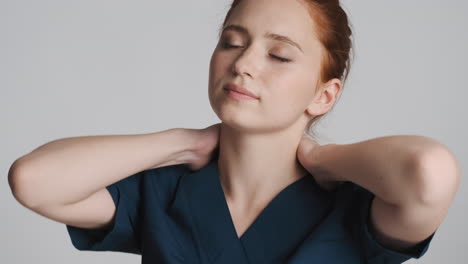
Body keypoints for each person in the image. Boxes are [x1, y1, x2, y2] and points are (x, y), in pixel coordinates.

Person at [9, 0, 460, 263]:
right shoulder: (160, 194)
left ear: (324, 95)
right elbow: (32, 180)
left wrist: (322, 158)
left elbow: (429, 171)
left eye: (278, 55)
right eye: (232, 42)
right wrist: (183, 142)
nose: (243, 64)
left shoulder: (355, 207)